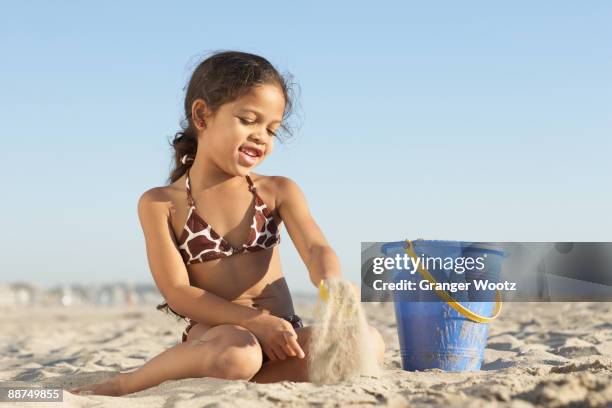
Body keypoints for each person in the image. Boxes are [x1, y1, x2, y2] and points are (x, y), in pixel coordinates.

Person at [71, 50, 385, 396]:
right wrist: (254, 322)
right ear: (202, 116)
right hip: (221, 337)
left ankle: (253, 383)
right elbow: (178, 292)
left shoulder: (277, 190)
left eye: (272, 129)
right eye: (248, 120)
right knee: (239, 354)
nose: (262, 136)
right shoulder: (161, 203)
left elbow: (315, 247)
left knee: (367, 341)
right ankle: (125, 383)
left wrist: (331, 282)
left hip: (283, 336)